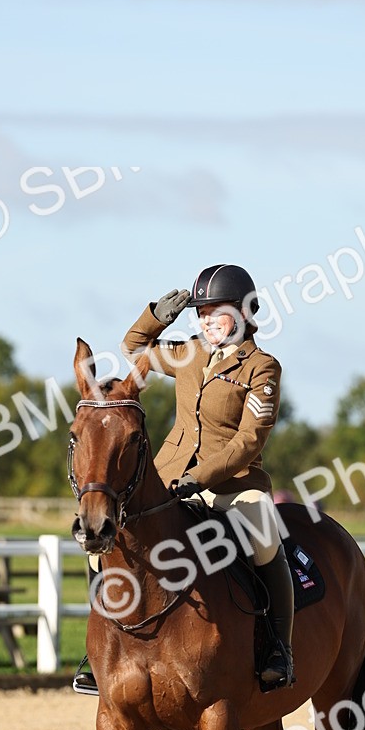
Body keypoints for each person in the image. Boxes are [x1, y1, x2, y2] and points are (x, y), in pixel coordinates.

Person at [73, 263, 295, 695]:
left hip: (233, 482)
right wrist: (158, 314)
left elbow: (249, 440)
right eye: (203, 314)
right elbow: (134, 346)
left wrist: (202, 477)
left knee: (266, 539)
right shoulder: (189, 352)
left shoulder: (262, 368)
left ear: (247, 313)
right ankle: (99, 650)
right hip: (168, 476)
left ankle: (277, 648)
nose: (208, 322)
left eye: (218, 313)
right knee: (102, 543)